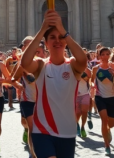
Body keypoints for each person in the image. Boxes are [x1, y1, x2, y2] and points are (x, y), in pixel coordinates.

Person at [20, 9, 88, 158]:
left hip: (67, 131)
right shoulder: (40, 65)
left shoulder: (73, 66)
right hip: (42, 130)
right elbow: (25, 63)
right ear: (46, 43)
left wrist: (63, 30)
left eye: (60, 37)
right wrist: (43, 28)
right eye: (52, 37)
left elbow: (83, 60)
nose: (57, 40)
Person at [10, 36, 38, 156]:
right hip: (27, 99)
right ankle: (33, 154)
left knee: (39, 128)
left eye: (32, 44)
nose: (29, 46)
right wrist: (18, 86)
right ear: (23, 47)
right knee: (32, 128)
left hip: (41, 100)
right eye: (27, 44)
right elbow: (13, 79)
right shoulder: (21, 64)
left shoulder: (41, 61)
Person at [92, 47, 114, 155]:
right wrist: (92, 86)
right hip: (100, 97)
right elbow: (91, 81)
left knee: (111, 124)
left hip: (112, 97)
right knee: (104, 120)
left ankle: (108, 130)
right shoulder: (95, 69)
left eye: (107, 54)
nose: (105, 56)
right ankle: (106, 145)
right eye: (103, 54)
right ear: (99, 56)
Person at [75, 66, 92, 138]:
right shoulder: (73, 68)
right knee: (77, 113)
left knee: (84, 112)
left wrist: (85, 69)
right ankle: (76, 125)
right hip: (75, 95)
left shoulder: (87, 69)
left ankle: (82, 127)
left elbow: (90, 77)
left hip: (85, 94)